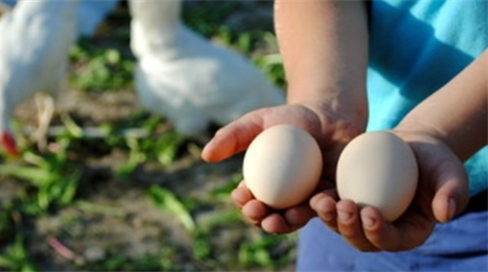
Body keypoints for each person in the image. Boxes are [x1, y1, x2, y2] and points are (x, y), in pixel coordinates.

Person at [201, 0, 488, 271]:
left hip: (472, 222)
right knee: (350, 228)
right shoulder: (327, 166)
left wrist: (439, 131)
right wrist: (325, 102)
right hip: (336, 171)